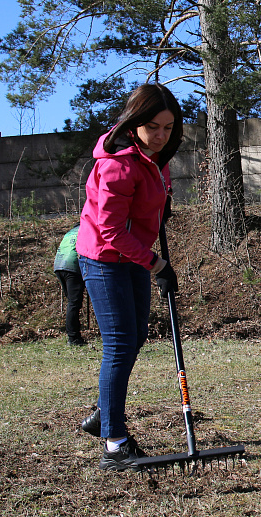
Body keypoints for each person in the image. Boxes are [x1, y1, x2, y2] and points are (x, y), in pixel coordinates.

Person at [76, 83, 182, 471]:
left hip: (133, 255)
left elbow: (146, 206)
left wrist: (161, 206)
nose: (161, 136)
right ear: (134, 123)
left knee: (135, 336)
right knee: (120, 344)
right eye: (153, 127)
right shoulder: (117, 164)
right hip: (105, 259)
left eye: (168, 128)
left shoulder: (155, 159)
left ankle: (102, 415)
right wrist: (157, 265)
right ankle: (115, 445)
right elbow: (110, 230)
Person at [54, 224, 86, 346]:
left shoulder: (70, 232)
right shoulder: (86, 228)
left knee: (72, 302)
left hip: (59, 265)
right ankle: (73, 338)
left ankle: (73, 335)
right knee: (74, 303)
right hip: (72, 265)